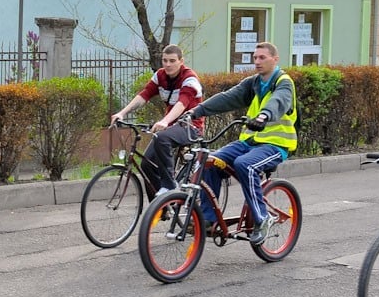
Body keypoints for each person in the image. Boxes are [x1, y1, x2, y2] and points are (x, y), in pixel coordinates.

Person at [183, 41, 297, 246]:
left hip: (275, 145)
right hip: (250, 142)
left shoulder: (283, 82)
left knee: (245, 165)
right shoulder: (253, 83)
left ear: (275, 59)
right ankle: (208, 220)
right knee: (210, 161)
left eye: (262, 57)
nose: (257, 62)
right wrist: (196, 111)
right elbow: (227, 98)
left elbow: (279, 101)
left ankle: (263, 219)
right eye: (255, 58)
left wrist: (264, 116)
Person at [110, 44, 204, 198]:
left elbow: (182, 104)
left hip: (191, 126)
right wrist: (122, 113)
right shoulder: (160, 76)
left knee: (162, 137)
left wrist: (165, 121)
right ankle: (160, 206)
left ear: (181, 61)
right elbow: (144, 95)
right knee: (146, 164)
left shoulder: (189, 79)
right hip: (171, 127)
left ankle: (169, 185)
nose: (167, 64)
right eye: (164, 60)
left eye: (172, 61)